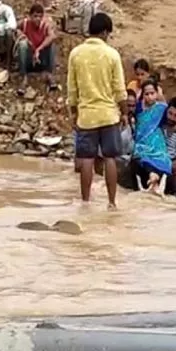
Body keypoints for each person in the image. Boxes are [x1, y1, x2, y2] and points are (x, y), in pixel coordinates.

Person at [67, 12, 128, 207]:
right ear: (104, 32)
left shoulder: (76, 54)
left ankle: (85, 202)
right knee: (110, 158)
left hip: (86, 116)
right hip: (109, 115)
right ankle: (111, 202)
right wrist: (125, 112)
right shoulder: (112, 54)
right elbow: (120, 89)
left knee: (86, 159)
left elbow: (72, 88)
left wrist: (73, 111)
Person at [132, 79, 172, 193]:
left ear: (157, 93)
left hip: (157, 141)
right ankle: (152, 177)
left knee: (162, 158)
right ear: (142, 94)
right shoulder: (138, 107)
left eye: (152, 93)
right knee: (141, 156)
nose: (150, 97)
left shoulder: (162, 108)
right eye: (146, 94)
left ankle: (154, 177)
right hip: (142, 141)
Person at [16, 3, 57, 94]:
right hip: (29, 58)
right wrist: (22, 35)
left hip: (41, 58)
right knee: (22, 44)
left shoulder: (45, 25)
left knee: (52, 44)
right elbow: (15, 28)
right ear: (30, 16)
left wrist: (39, 49)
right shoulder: (25, 23)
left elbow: (52, 36)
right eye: (35, 16)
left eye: (40, 16)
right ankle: (23, 76)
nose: (37, 19)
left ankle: (50, 74)